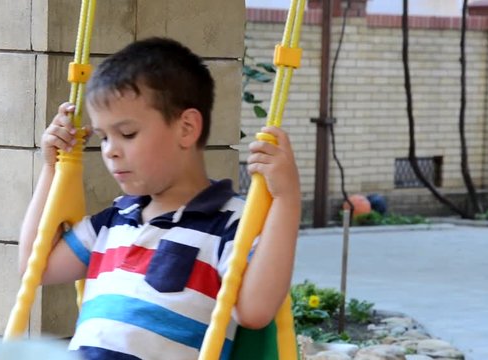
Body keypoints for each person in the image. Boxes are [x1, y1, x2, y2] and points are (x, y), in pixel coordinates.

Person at [18, 37, 301, 360]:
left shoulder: (229, 224)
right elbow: (34, 267)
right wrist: (53, 169)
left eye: (127, 134)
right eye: (104, 137)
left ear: (186, 128)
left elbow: (255, 310)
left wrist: (286, 199)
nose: (110, 150)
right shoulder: (112, 222)